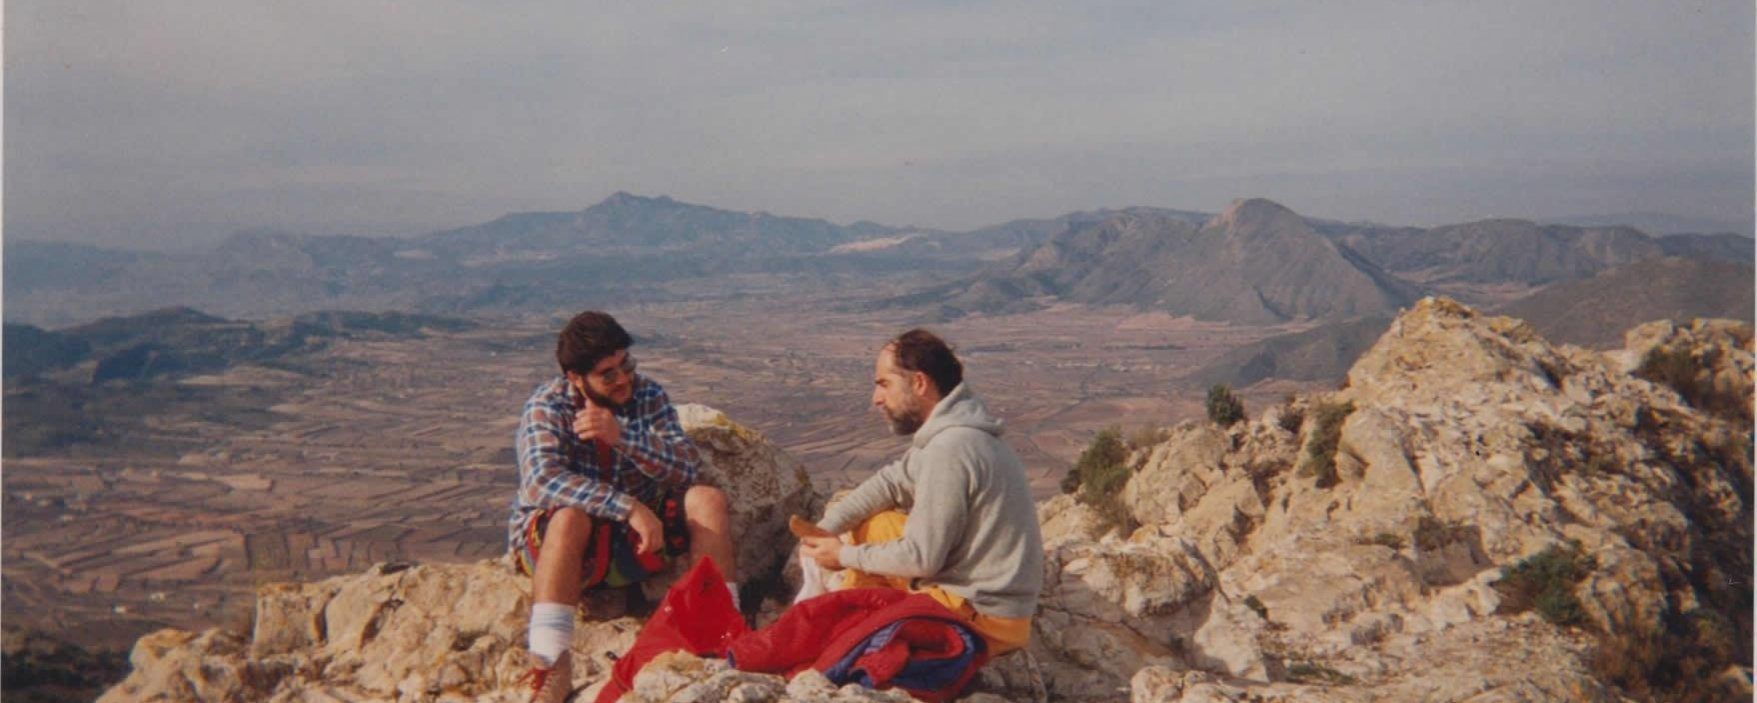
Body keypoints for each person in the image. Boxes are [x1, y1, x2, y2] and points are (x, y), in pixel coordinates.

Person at [508, 311, 735, 703]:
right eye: (607, 374)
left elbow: (686, 466)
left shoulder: (647, 396)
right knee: (568, 518)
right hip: (568, 545)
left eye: (624, 364)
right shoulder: (547, 407)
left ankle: (720, 632)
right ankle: (550, 663)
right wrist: (627, 507)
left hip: (636, 544)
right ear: (576, 378)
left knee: (707, 500)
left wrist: (624, 437)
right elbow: (541, 482)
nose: (622, 379)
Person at [797, 329, 1044, 656]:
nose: (876, 399)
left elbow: (921, 559)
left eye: (884, 383)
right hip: (981, 600)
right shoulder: (953, 434)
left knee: (847, 640)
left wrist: (841, 556)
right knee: (876, 525)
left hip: (981, 617)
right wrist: (827, 529)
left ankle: (841, 629)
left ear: (919, 383)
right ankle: (846, 617)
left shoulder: (951, 448)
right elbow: (890, 483)